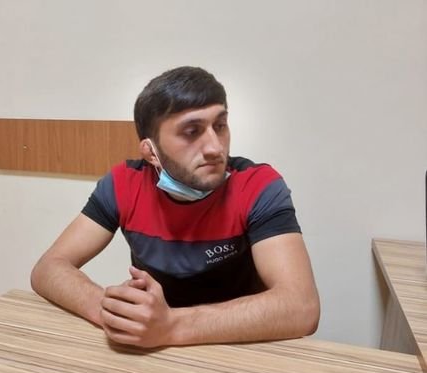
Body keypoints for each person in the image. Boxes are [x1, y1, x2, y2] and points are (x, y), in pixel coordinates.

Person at [31, 66, 320, 348]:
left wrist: (172, 326)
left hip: (237, 347)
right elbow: (48, 268)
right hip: (155, 350)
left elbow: (301, 307)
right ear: (150, 151)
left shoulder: (258, 186)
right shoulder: (123, 184)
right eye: (192, 131)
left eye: (220, 126)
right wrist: (113, 311)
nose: (215, 148)